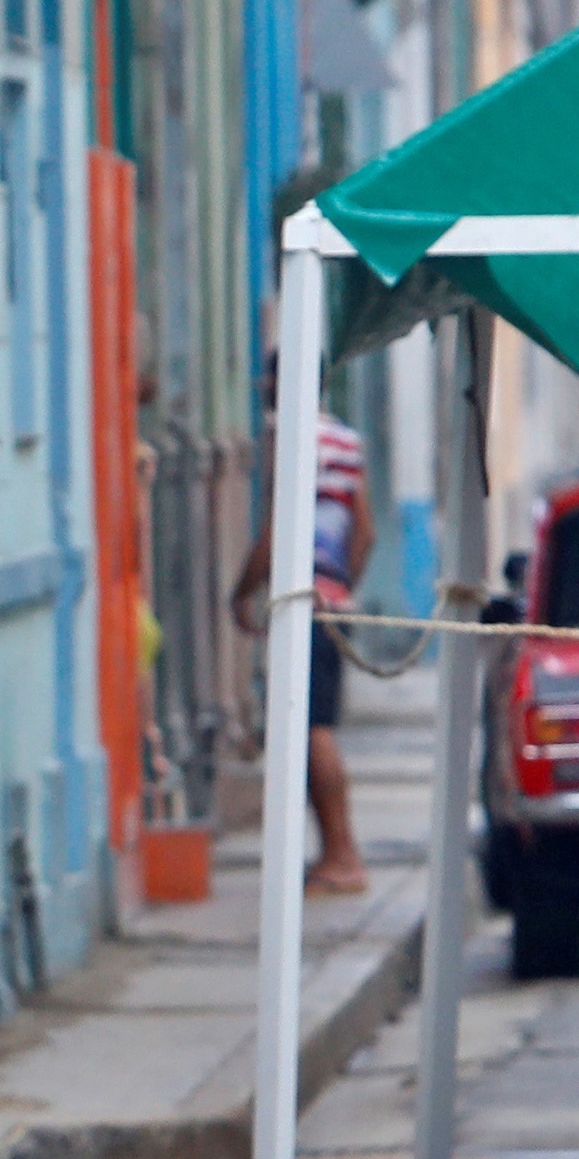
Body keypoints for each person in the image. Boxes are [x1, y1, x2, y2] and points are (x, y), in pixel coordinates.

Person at [230, 372, 372, 896]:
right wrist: (340, 586)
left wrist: (243, 591)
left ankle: (342, 855)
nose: (263, 383)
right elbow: (366, 531)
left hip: (304, 604)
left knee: (312, 729)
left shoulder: (290, 439)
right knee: (317, 725)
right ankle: (335, 853)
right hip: (333, 600)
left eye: (269, 374)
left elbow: (276, 529)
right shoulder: (346, 440)